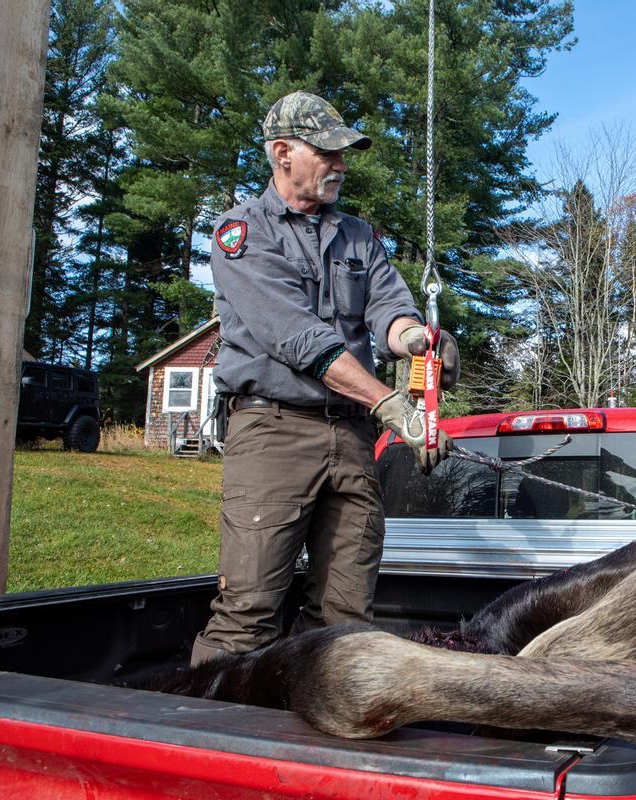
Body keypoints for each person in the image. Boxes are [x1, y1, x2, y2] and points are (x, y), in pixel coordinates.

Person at [191, 91, 459, 665]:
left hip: (352, 438)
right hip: (273, 432)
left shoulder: (358, 235)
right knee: (249, 612)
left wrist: (418, 340)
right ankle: (208, 739)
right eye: (328, 152)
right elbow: (298, 338)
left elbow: (389, 312)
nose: (341, 165)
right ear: (282, 153)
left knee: (347, 619)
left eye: (345, 154)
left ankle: (316, 742)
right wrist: (390, 402)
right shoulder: (241, 233)